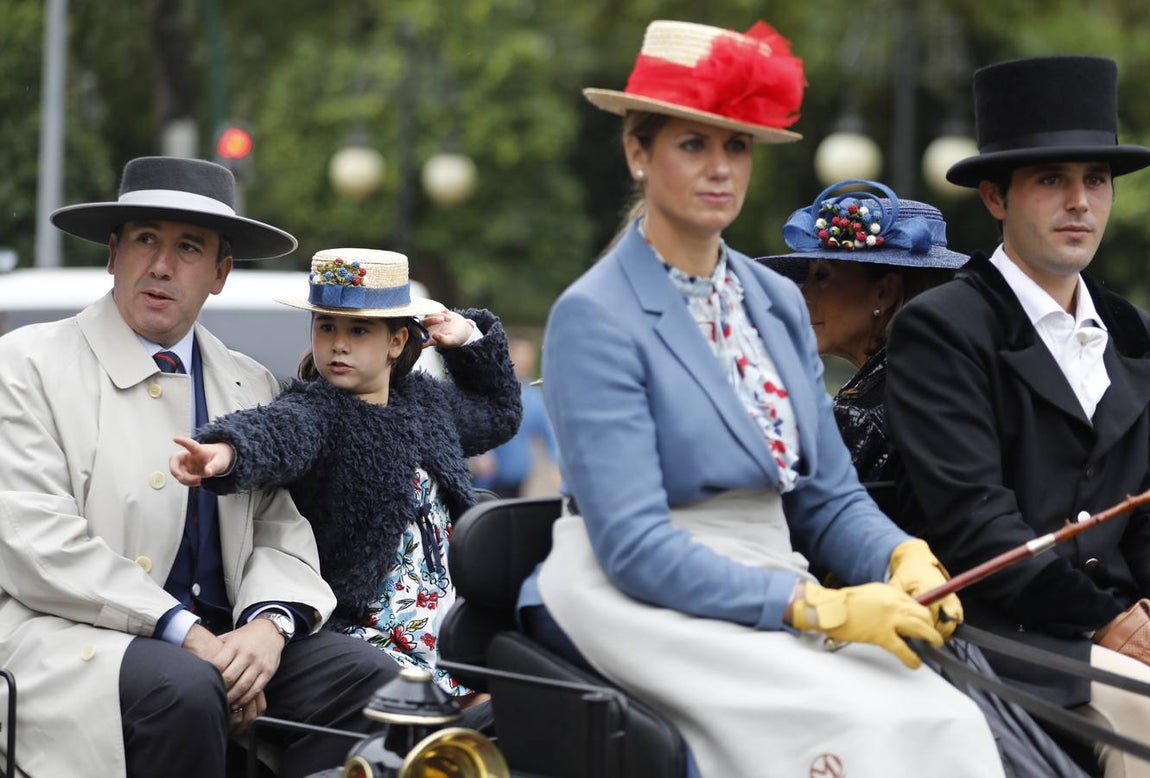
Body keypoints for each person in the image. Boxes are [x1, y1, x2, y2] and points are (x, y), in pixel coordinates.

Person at [516, 19, 1003, 778]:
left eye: (736, 146)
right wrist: (819, 608)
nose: (720, 168)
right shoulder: (593, 316)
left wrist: (902, 557)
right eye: (692, 144)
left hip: (773, 569)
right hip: (637, 593)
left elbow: (828, 496)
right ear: (637, 152)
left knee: (947, 720)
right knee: (856, 734)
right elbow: (637, 546)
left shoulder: (774, 300)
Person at [0, 156, 402, 778]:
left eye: (188, 247)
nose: (162, 265)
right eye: (144, 240)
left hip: (223, 637)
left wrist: (268, 627)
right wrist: (187, 633)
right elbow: (36, 541)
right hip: (71, 641)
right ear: (113, 254)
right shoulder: (24, 365)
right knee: (186, 688)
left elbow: (281, 529)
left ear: (220, 273)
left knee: (369, 680)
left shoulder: (252, 381)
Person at [884, 55, 1150, 778]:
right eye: (1052, 181)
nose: (1080, 203)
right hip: (1002, 633)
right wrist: (1103, 619)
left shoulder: (1131, 329)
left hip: (1123, 626)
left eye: (1095, 180)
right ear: (996, 198)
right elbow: (977, 527)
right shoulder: (942, 326)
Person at [169, 247, 522, 704]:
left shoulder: (428, 402)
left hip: (455, 617)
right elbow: (278, 433)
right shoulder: (318, 410)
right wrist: (226, 452)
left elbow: (499, 414)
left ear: (396, 342)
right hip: (365, 627)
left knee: (537, 688)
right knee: (473, 720)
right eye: (327, 327)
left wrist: (469, 338)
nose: (338, 343)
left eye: (359, 330)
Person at [758, 179, 966, 482]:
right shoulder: (962, 380)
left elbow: (827, 522)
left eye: (822, 276)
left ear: (885, 293)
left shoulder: (862, 413)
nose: (805, 295)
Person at [470, 333, 559, 498]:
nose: (525, 362)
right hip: (488, 480)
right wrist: (480, 455)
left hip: (518, 481)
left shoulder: (535, 398)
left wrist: (557, 465)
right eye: (521, 355)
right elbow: (473, 426)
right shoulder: (489, 390)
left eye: (529, 356)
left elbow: (549, 434)